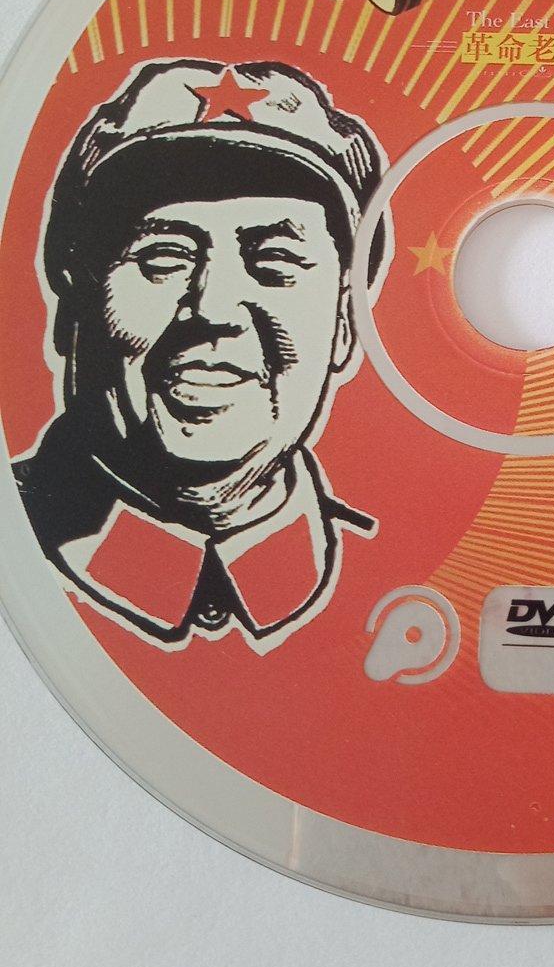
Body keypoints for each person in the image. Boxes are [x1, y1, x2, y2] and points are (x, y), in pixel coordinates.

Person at [13, 58, 391, 651]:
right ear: (74, 304)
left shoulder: (397, 570)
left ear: (345, 323)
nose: (215, 308)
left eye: (276, 262)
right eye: (164, 258)